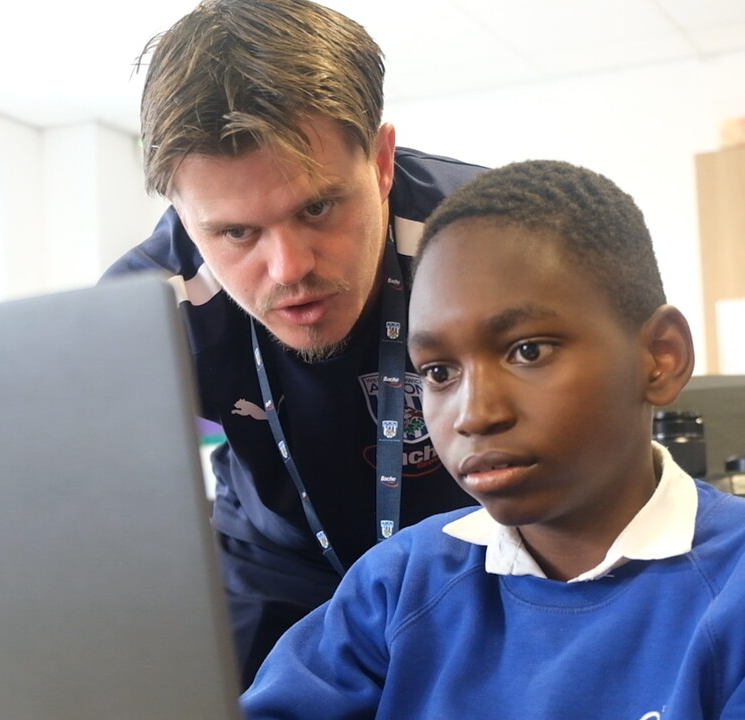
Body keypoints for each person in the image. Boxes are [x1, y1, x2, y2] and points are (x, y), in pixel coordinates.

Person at [241, 159, 745, 718]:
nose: (474, 415)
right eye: (438, 373)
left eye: (528, 350)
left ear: (661, 357)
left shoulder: (732, 589)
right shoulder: (398, 584)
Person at [104, 0, 484, 686]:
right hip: (273, 566)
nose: (290, 269)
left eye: (317, 208)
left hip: (477, 549)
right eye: (235, 233)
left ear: (382, 162)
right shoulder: (142, 309)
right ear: (183, 217)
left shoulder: (496, 241)